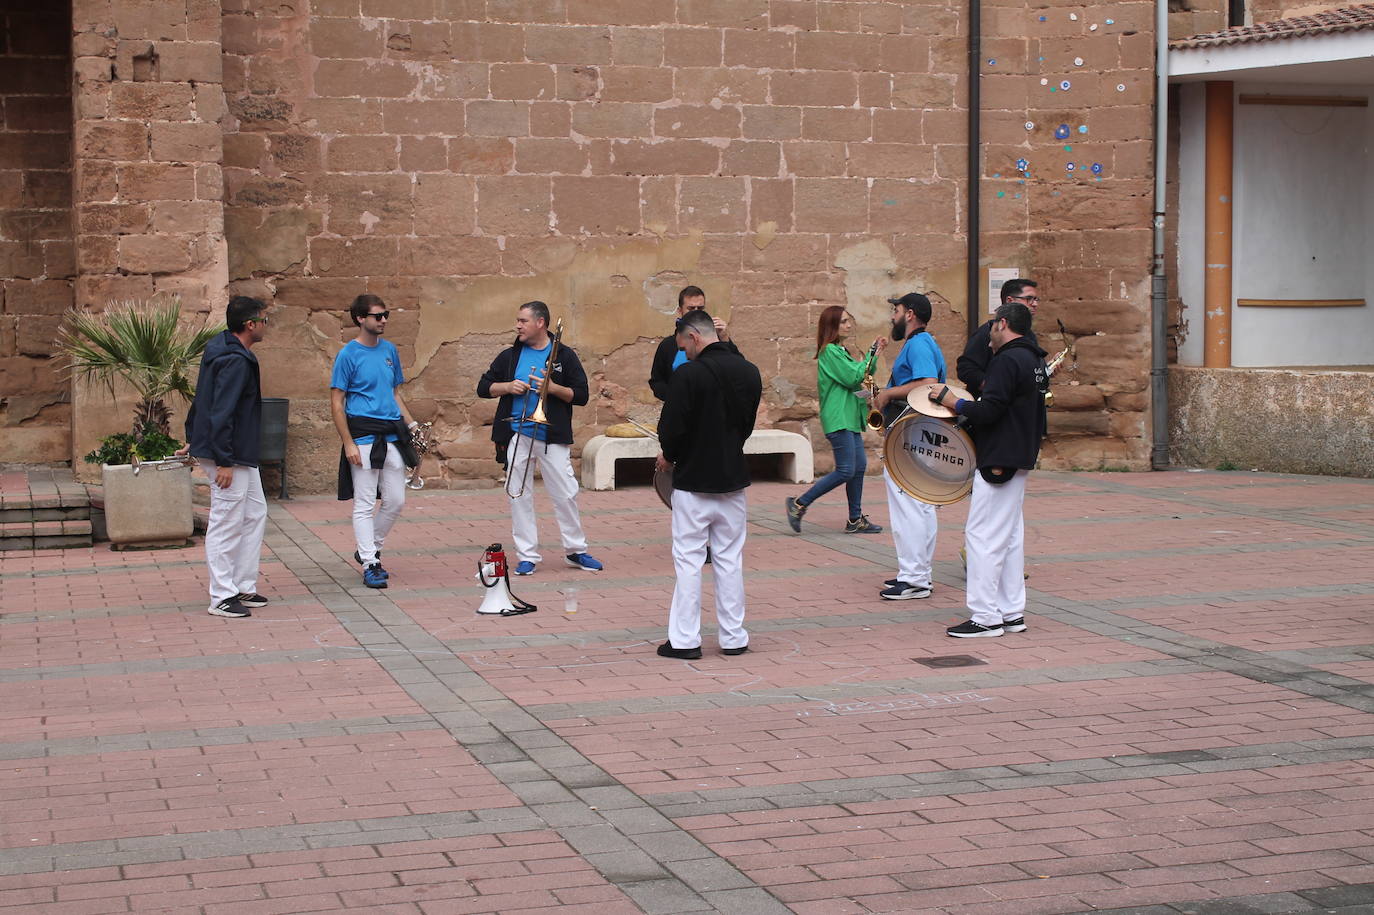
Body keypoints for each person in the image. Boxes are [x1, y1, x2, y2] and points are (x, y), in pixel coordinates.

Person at [931, 301, 1047, 637]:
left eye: (991, 327)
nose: (987, 337)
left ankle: (985, 617)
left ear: (1002, 324)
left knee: (981, 537)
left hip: (999, 457)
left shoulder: (1008, 359)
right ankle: (1011, 612)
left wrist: (953, 402)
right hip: (1018, 454)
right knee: (1009, 538)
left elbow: (989, 410)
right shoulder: (1034, 359)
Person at [654, 310, 763, 659]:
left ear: (694, 337)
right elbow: (746, 425)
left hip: (693, 480)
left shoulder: (688, 375)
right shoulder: (749, 371)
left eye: (682, 343)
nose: (682, 351)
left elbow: (671, 428)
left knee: (688, 560)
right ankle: (734, 638)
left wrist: (669, 456)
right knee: (730, 559)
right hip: (732, 476)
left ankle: (685, 641)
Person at [477, 301, 602, 575]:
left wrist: (553, 388)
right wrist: (508, 387)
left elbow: (581, 395)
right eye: (518, 320)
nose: (518, 326)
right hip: (518, 433)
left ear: (540, 323)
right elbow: (483, 387)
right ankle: (527, 555)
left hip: (552, 435)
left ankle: (575, 550)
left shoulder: (564, 356)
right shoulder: (510, 356)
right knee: (518, 494)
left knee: (566, 493)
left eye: (523, 321)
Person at [180, 295, 269, 619]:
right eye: (264, 320)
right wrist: (223, 460)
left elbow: (203, 396)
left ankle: (243, 583)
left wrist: (193, 437)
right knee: (227, 520)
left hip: (233, 448)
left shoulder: (222, 346)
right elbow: (222, 410)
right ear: (250, 325)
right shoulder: (234, 359)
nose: (265, 325)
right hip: (228, 451)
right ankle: (221, 596)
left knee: (255, 511)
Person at [331, 294, 419, 590]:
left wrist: (413, 424)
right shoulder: (348, 355)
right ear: (360, 318)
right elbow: (337, 401)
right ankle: (370, 562)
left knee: (396, 500)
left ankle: (369, 546)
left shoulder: (389, 350)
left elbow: (394, 393)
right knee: (365, 502)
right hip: (363, 435)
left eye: (386, 315)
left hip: (392, 434)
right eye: (377, 316)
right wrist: (348, 443)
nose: (383, 320)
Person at [870, 293, 946, 601]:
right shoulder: (921, 343)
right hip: (917, 432)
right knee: (920, 506)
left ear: (910, 314)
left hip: (910, 434)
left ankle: (914, 578)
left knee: (908, 507)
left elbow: (927, 382)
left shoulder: (918, 344)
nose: (892, 317)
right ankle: (916, 574)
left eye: (896, 311)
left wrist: (888, 395)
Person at [784, 306, 886, 534]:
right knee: (846, 470)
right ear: (832, 327)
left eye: (849, 321)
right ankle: (798, 504)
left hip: (849, 417)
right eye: (844, 322)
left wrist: (873, 356)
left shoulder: (840, 351)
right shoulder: (829, 351)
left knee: (858, 467)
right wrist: (872, 354)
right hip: (838, 418)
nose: (849, 325)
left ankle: (855, 519)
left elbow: (862, 375)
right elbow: (853, 377)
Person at [957, 277, 1039, 399]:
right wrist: (994, 387)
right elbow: (966, 369)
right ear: (1010, 301)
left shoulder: (1030, 335)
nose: (1035, 304)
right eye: (1029, 299)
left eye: (1036, 299)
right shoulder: (987, 332)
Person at [648, 285, 733, 401]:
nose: (696, 313)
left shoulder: (716, 341)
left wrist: (724, 338)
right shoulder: (667, 345)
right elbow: (657, 381)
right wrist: (675, 396)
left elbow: (736, 369)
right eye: (691, 309)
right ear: (680, 311)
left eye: (700, 308)